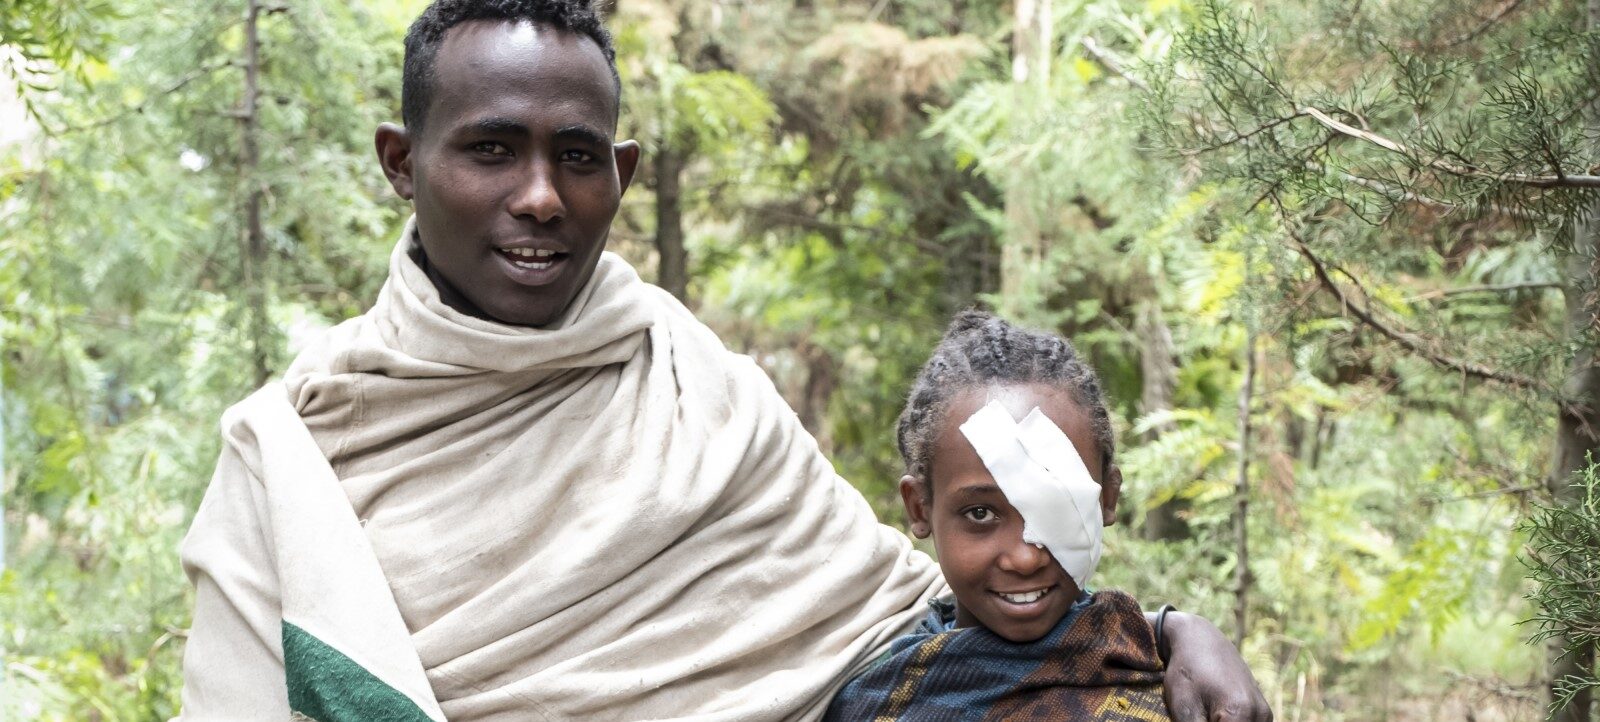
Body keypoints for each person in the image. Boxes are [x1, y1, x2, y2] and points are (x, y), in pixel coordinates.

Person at [175, 1, 1274, 720]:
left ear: (625, 169)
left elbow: (900, 626)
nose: (542, 195)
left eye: (578, 156)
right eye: (490, 148)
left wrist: (1164, 632)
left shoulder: (693, 378)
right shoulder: (299, 445)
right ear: (401, 163)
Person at [826, 311, 1182, 720]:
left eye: (1057, 508)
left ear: (1107, 500)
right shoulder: (874, 701)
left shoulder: (1172, 686)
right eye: (980, 513)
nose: (1025, 557)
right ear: (920, 507)